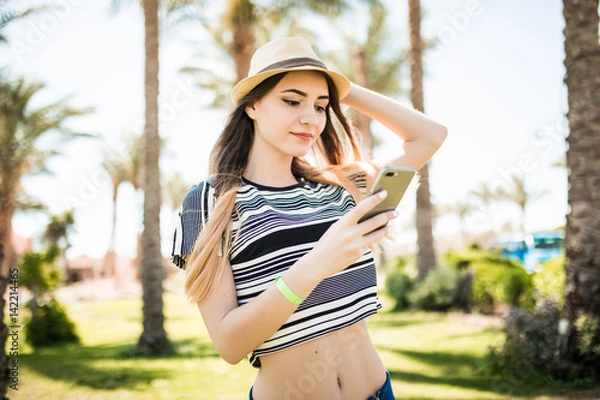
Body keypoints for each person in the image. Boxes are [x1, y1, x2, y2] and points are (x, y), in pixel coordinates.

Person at [171, 36, 447, 400]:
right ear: (252, 106)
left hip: (378, 392)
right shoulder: (209, 201)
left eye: (321, 106)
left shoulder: (340, 185)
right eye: (291, 101)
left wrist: (340, 89)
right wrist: (317, 263)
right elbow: (229, 344)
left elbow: (429, 136)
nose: (311, 118)